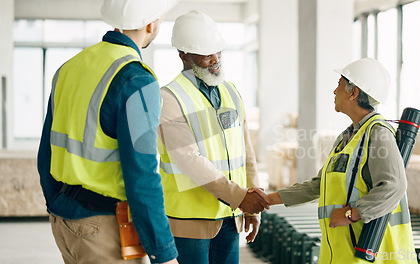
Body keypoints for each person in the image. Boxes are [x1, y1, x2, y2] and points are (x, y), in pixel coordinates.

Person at [37, 0, 179, 263]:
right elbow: (142, 175)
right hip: (104, 227)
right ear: (151, 23)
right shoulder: (136, 79)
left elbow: (45, 151)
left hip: (64, 220)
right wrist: (164, 252)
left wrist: (56, 205)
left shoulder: (69, 67)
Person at [252, 58, 417, 263]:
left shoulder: (378, 133)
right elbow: (320, 185)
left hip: (371, 253)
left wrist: (352, 214)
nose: (334, 91)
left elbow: (394, 185)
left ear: (353, 92)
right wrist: (269, 199)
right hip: (341, 253)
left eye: (339, 84)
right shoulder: (349, 137)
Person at [157, 10, 267, 264]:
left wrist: (254, 197)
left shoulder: (231, 91)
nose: (216, 59)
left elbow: (246, 151)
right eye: (207, 54)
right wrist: (240, 197)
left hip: (230, 216)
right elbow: (188, 158)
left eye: (218, 51)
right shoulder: (169, 98)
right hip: (189, 222)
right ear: (183, 54)